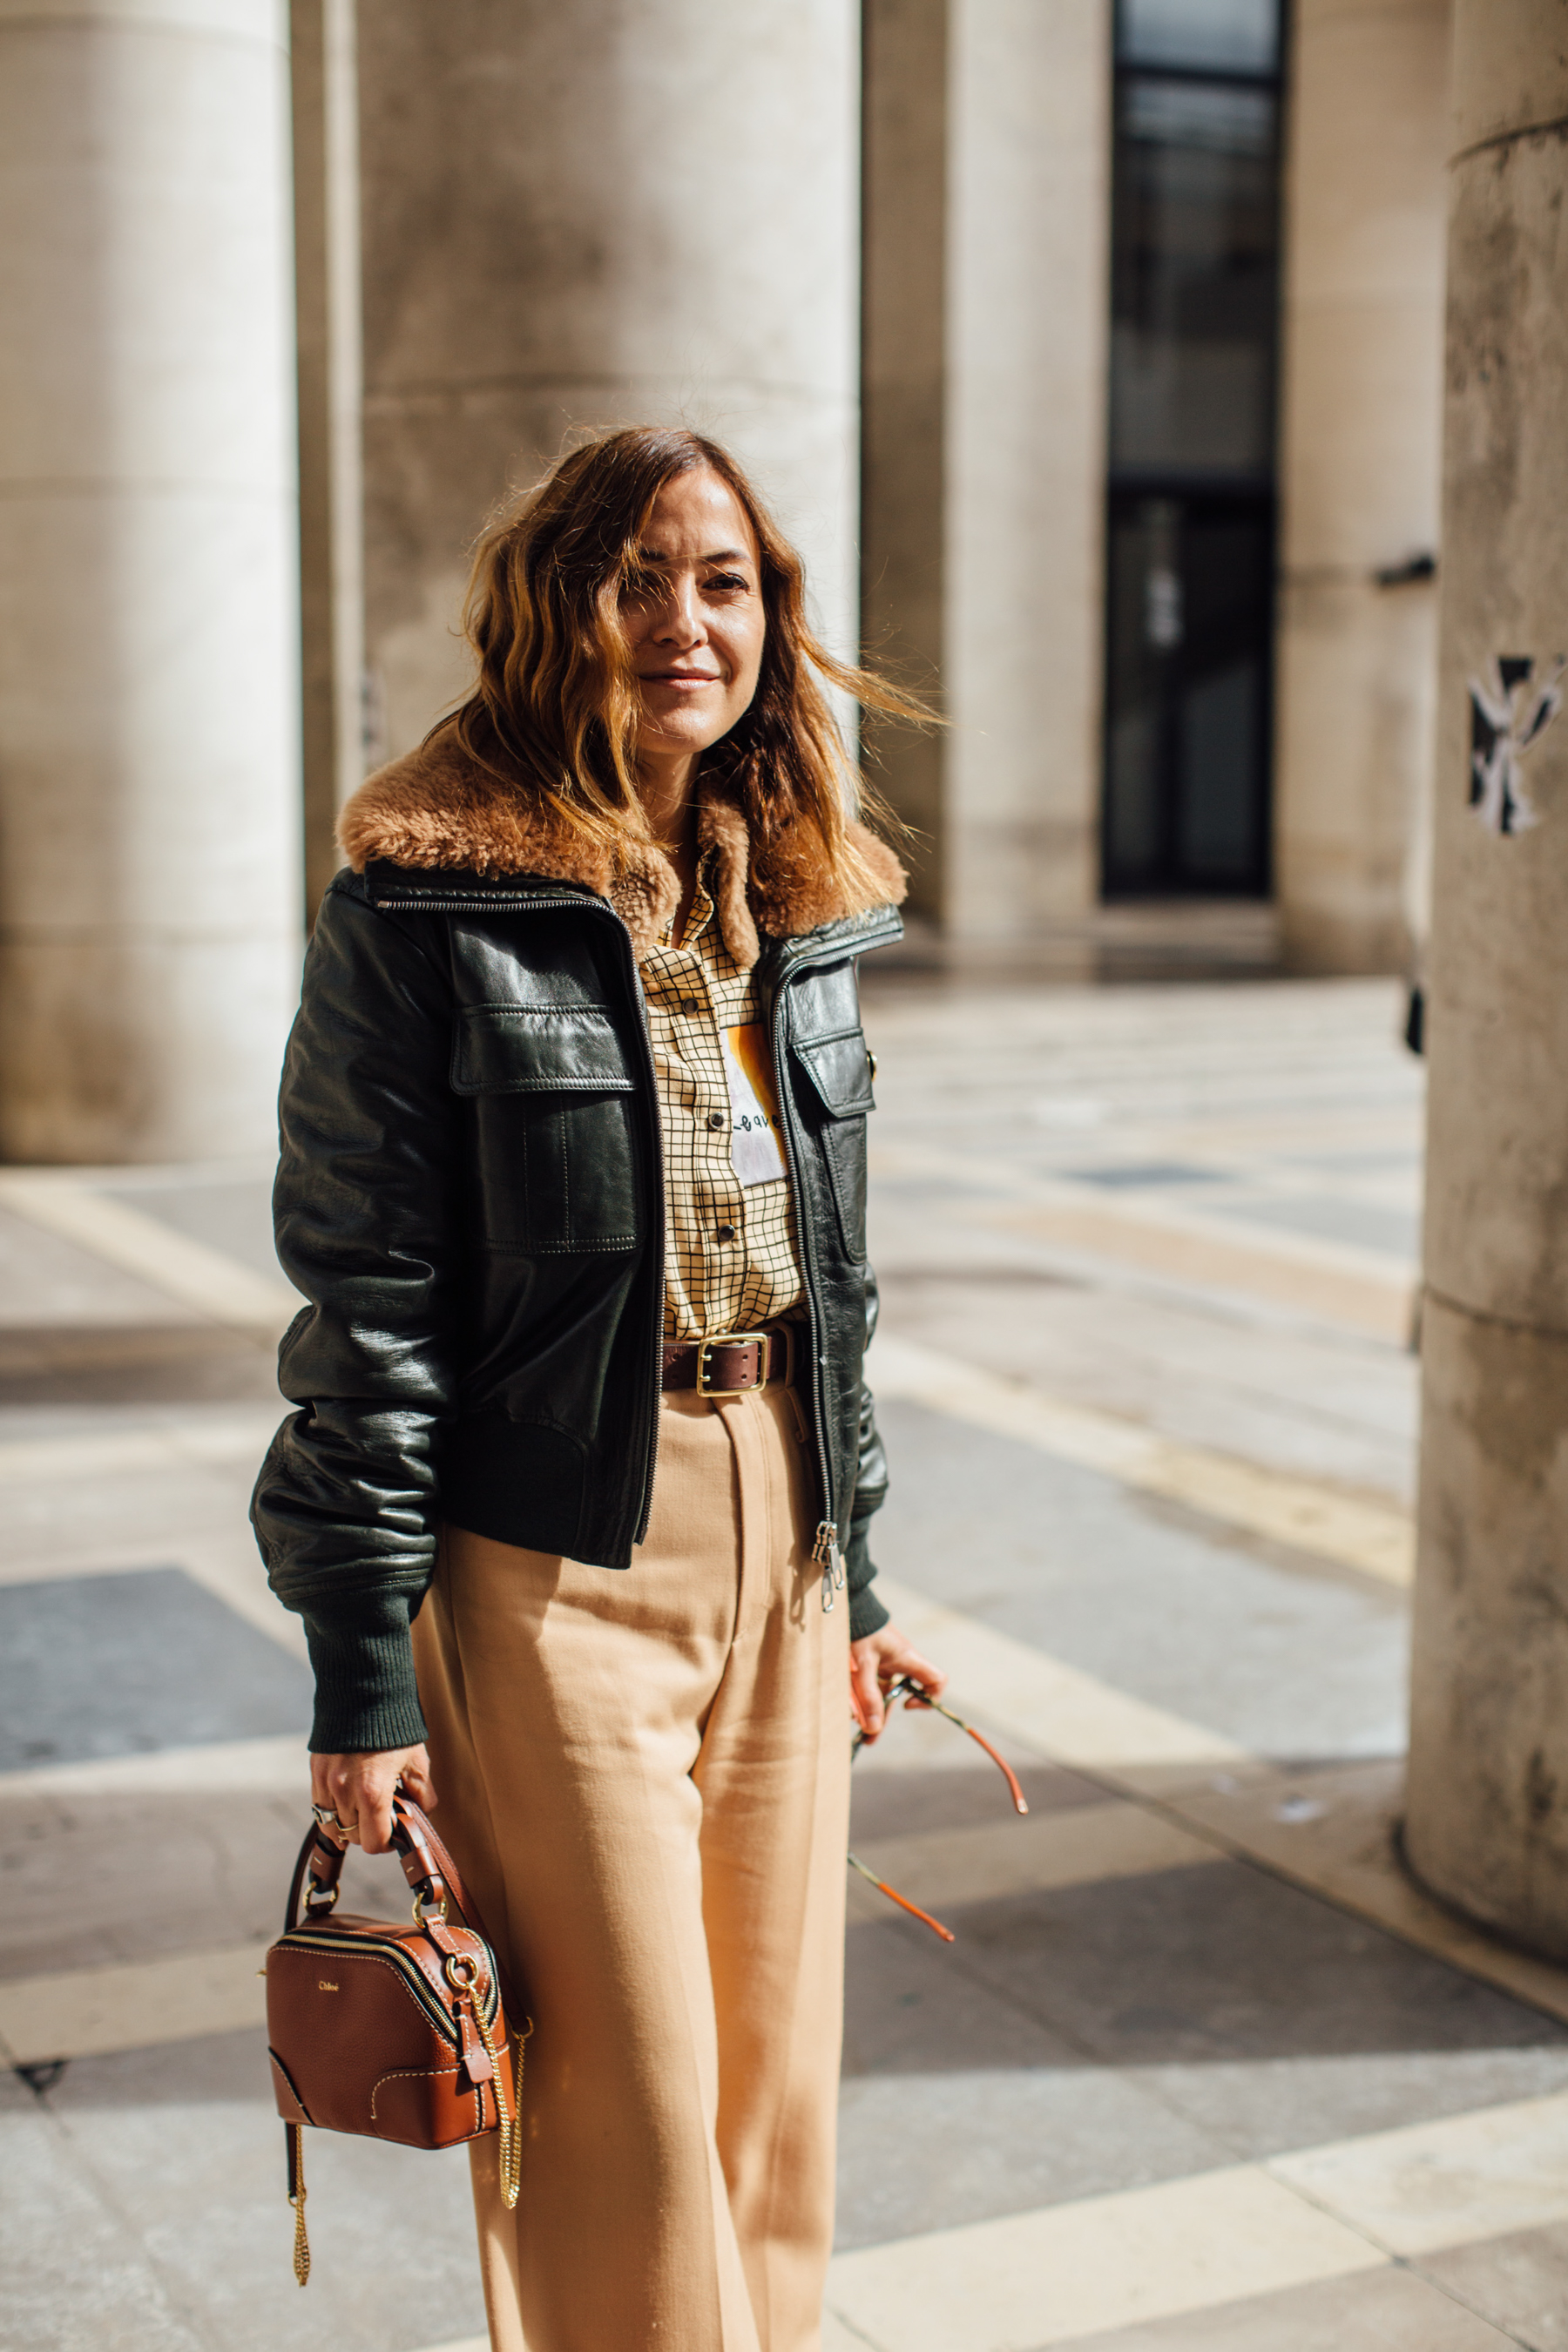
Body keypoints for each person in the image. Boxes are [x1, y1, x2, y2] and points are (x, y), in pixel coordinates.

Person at [251, 423, 945, 2352]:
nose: (684, 621)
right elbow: (367, 1303)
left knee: (766, 2105)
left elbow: (840, 1279)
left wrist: (858, 1582)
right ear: (553, 607)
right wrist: (359, 1673)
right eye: (638, 576)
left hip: (778, 1532)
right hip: (552, 1556)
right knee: (623, 2117)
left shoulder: (799, 892)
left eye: (724, 581)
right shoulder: (421, 904)